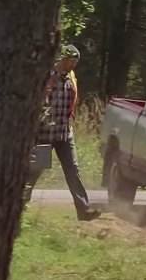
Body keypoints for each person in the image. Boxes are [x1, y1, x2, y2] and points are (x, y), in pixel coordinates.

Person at [24, 44, 101, 221]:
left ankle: (84, 210)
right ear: (64, 59)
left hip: (65, 134)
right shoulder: (48, 76)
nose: (74, 65)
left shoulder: (71, 78)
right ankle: (20, 205)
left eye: (76, 62)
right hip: (45, 134)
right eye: (72, 61)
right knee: (34, 171)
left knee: (73, 170)